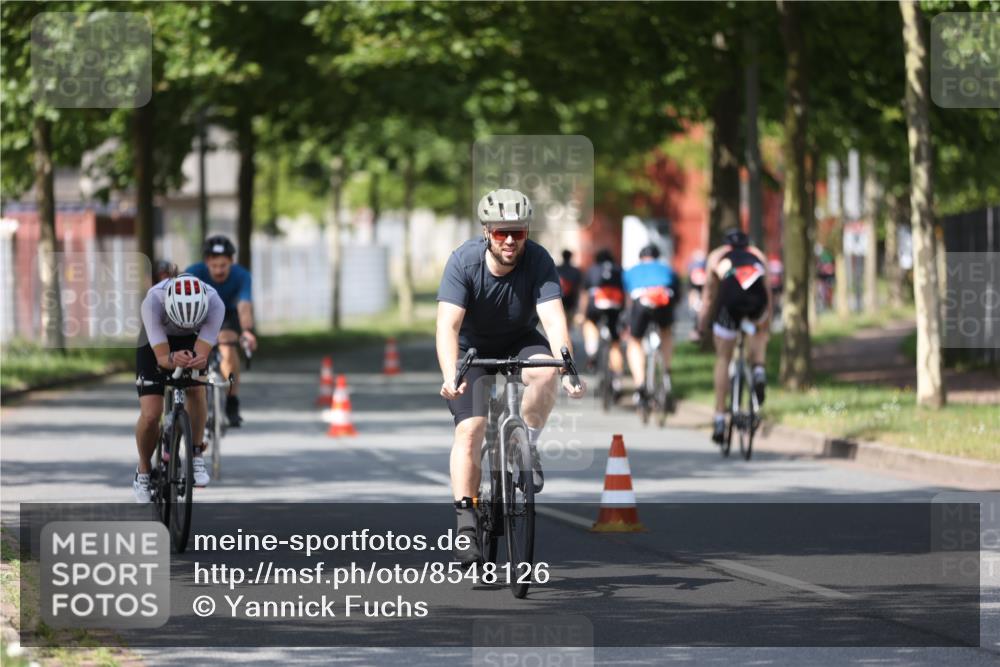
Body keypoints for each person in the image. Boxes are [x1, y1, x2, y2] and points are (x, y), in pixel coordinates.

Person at [437, 188, 585, 566]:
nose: (509, 240)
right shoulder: (463, 263)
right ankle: (466, 521)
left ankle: (525, 443)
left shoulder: (538, 260)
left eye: (517, 233)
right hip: (472, 349)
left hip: (520, 339)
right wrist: (450, 375)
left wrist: (567, 367)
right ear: (487, 231)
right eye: (501, 232)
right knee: (469, 430)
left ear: (527, 233)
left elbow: (553, 320)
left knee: (546, 374)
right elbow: (447, 328)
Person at [134, 274, 225, 502]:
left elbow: (202, 353)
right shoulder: (153, 301)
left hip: (192, 340)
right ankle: (143, 470)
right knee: (151, 414)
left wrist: (198, 360)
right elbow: (163, 358)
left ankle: (195, 454)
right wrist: (171, 358)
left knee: (196, 389)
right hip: (155, 342)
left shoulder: (215, 304)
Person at [698, 229, 773, 445]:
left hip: (729, 304)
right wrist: (765, 321)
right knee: (758, 333)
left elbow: (709, 295)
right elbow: (767, 291)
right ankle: (758, 369)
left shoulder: (717, 256)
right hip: (756, 303)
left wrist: (701, 325)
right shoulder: (758, 255)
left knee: (723, 358)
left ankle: (720, 417)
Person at [186, 236, 257, 427]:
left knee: (227, 348)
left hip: (228, 316)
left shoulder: (242, 276)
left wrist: (247, 331)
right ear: (206, 261)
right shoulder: (193, 273)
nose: (218, 270)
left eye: (223, 265)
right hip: (199, 316)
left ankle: (232, 401)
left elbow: (244, 305)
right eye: (214, 265)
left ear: (231, 262)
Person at [623, 244, 679, 406]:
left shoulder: (631, 271)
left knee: (634, 341)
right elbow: (676, 294)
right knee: (666, 332)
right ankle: (666, 371)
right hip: (663, 300)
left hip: (641, 302)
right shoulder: (667, 269)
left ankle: (640, 383)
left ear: (641, 258)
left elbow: (628, 298)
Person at [576, 249, 626, 394]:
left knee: (590, 323)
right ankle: (617, 382)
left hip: (596, 302)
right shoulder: (619, 270)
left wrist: (581, 314)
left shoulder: (592, 269)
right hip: (615, 304)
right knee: (615, 344)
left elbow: (585, 294)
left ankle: (592, 351)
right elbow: (624, 293)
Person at [556, 249, 583, 330]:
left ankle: (562, 331)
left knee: (560, 316)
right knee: (569, 317)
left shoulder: (556, 268)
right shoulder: (576, 271)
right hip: (572, 297)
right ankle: (567, 332)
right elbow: (579, 286)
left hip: (559, 296)